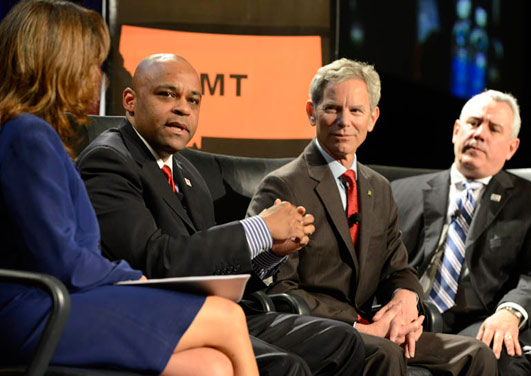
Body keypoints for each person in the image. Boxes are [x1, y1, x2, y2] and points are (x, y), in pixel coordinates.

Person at [0, 1, 260, 375]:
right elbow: (60, 258)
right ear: (60, 63)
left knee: (211, 366)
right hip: (36, 308)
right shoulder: (29, 135)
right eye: (94, 64)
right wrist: (131, 278)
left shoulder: (38, 134)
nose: (99, 77)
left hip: (63, 299)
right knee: (226, 317)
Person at [76, 53, 365, 376]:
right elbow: (157, 260)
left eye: (193, 100)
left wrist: (268, 253)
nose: (183, 108)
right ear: (130, 100)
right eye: (167, 94)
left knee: (344, 341)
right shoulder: (109, 161)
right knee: (286, 367)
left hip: (214, 310)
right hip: (158, 317)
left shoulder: (187, 172)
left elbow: (210, 270)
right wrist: (259, 228)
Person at [247, 58, 498, 376]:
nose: (344, 121)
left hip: (376, 328)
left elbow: (399, 268)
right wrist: (356, 326)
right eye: (332, 109)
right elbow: (279, 288)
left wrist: (405, 299)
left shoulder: (378, 187)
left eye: (355, 111)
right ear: (312, 112)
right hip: (322, 331)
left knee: (476, 354)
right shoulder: (283, 185)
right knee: (385, 354)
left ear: (372, 118)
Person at [389, 89, 531, 375]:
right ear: (457, 131)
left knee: (501, 356)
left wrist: (510, 312)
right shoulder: (399, 192)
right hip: (411, 317)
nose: (480, 134)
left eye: (494, 129)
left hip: (485, 321)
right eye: (473, 123)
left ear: (511, 148)